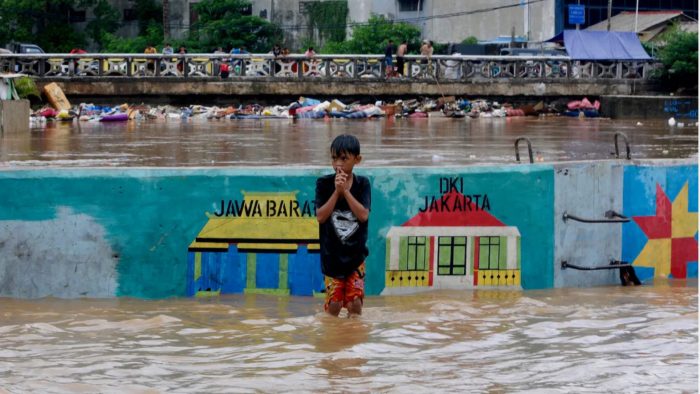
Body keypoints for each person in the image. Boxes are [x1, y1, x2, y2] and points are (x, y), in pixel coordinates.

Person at [315, 134, 371, 317]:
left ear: (357, 160)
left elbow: (363, 215)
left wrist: (345, 192)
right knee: (334, 305)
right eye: (334, 158)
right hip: (332, 258)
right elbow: (321, 217)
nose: (338, 164)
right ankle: (333, 342)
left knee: (355, 305)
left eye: (344, 158)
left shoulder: (363, 184)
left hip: (356, 257)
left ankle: (353, 342)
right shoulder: (323, 184)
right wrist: (336, 193)